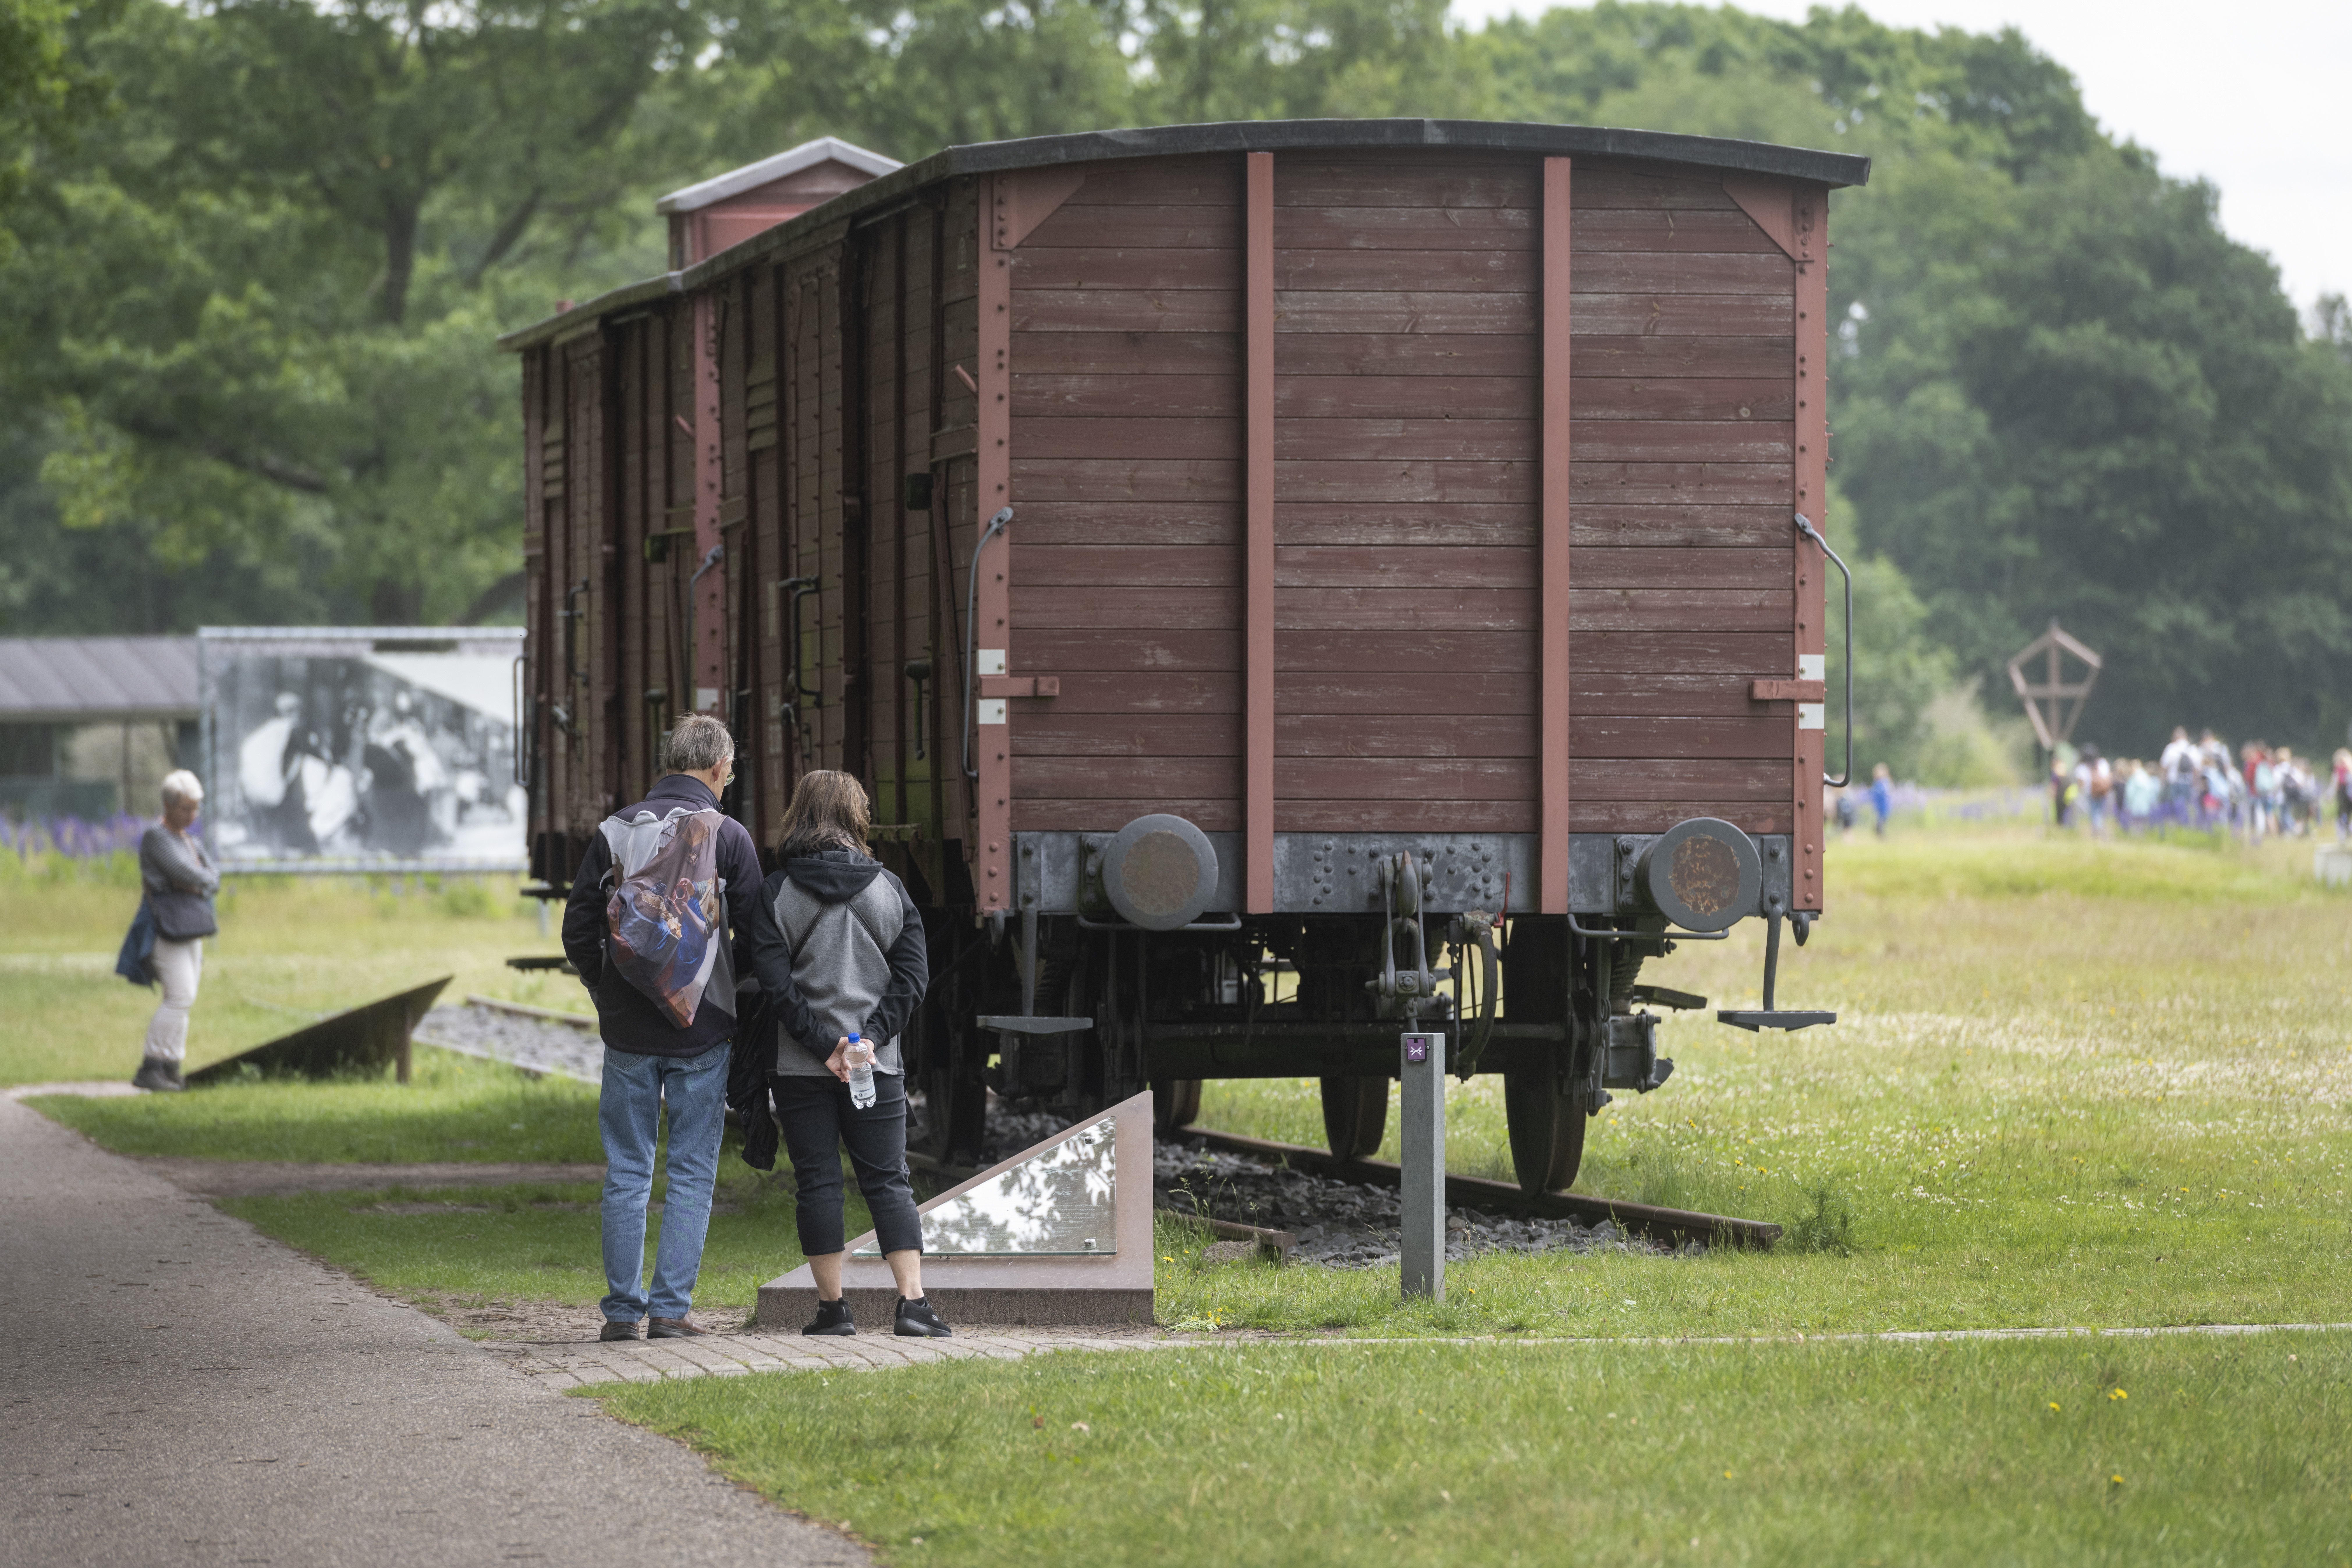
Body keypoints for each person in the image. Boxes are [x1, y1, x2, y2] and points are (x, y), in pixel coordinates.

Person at [562, 714, 762, 1342]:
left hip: (627, 1031)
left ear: (670, 761)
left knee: (628, 1169)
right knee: (693, 1170)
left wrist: (607, 990)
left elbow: (578, 929)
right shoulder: (729, 836)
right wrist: (726, 991)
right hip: (703, 1029)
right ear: (719, 768)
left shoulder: (616, 830)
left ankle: (623, 1314)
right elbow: (759, 936)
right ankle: (671, 1312)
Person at [749, 769, 947, 1339]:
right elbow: (913, 978)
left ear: (799, 814)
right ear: (857, 816)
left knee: (818, 1182)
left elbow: (774, 983)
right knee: (889, 1181)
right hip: (874, 1066)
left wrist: (823, 1045)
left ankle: (833, 1311)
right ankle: (913, 1305)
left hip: (800, 1066)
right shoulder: (891, 890)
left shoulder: (777, 892)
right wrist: (868, 1041)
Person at [132, 771, 220, 1092]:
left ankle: (171, 1067)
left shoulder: (190, 840)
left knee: (186, 998)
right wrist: (197, 881)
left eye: (196, 808)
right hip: (166, 927)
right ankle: (151, 1066)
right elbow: (183, 872)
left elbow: (213, 877)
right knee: (180, 996)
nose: (192, 815)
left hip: (190, 925)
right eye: (186, 808)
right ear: (169, 806)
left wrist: (197, 883)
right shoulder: (156, 836)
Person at [1868, 762, 1892, 838]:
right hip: (1877, 806)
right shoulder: (1877, 783)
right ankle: (1880, 837)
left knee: (1881, 823)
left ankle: (1882, 837)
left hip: (1883, 806)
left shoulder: (1885, 782)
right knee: (1878, 823)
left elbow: (1886, 793)